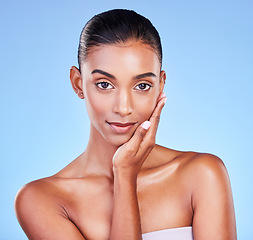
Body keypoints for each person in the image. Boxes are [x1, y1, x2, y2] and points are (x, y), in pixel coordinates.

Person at [15, 9, 237, 240]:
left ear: (160, 85)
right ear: (78, 83)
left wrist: (125, 173)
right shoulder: (43, 200)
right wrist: (124, 176)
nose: (123, 108)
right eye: (104, 84)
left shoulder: (202, 175)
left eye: (141, 85)